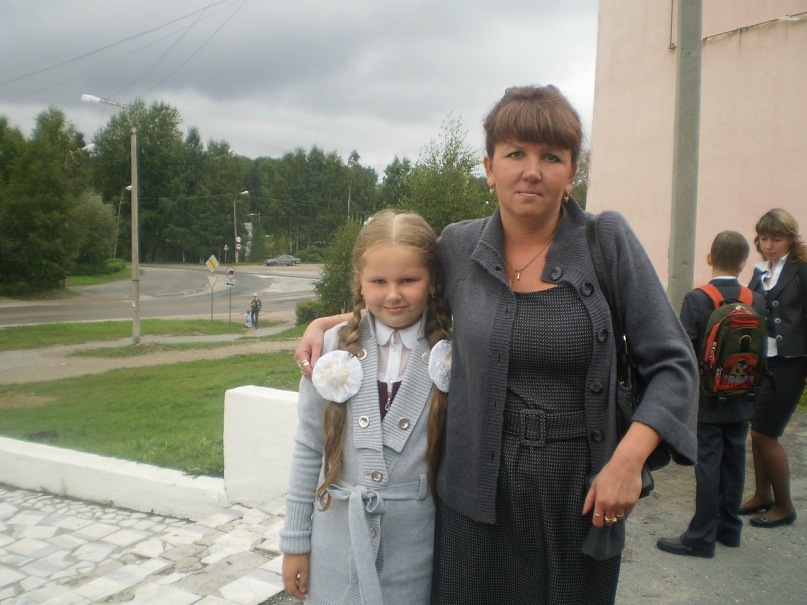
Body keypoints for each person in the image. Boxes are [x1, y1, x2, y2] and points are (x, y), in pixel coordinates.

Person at [296, 85, 697, 604]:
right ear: (489, 167)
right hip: (472, 496)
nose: (532, 171)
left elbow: (673, 364)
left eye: (551, 157)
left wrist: (627, 462)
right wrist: (326, 326)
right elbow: (401, 296)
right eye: (515, 154)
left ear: (572, 172)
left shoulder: (606, 241)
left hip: (576, 495)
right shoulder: (459, 246)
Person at [280, 210, 452, 604]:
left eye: (408, 280)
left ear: (433, 281)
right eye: (378, 281)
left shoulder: (450, 355)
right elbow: (309, 447)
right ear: (359, 280)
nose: (393, 294)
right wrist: (295, 542)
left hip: (415, 554)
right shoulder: (331, 348)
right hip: (334, 548)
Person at [657, 231, 765, 558]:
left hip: (709, 397)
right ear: (743, 263)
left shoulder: (698, 299)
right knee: (735, 461)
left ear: (709, 258)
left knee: (708, 464)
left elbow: (684, 349)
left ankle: (701, 536)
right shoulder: (755, 299)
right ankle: (730, 529)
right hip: (743, 392)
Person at [739, 208, 807, 528]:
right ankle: (761, 495)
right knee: (757, 430)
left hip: (791, 362)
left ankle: (784, 505)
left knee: (765, 432)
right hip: (762, 360)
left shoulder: (801, 270)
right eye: (764, 238)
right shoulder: (760, 272)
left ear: (790, 239)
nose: (769, 245)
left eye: (776, 239)